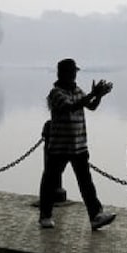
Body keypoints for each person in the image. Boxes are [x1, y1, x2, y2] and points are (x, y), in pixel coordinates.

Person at [38, 58, 117, 230]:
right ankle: (45, 215)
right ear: (64, 73)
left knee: (86, 182)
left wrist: (99, 96)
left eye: (75, 71)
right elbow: (71, 107)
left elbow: (91, 106)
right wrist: (92, 93)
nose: (75, 74)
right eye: (73, 71)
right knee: (50, 182)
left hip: (79, 146)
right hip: (59, 147)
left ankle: (96, 216)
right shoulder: (56, 93)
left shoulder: (78, 90)